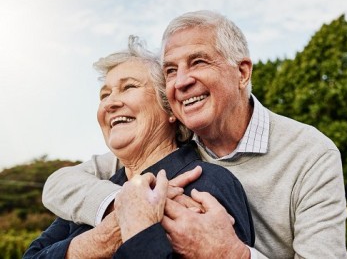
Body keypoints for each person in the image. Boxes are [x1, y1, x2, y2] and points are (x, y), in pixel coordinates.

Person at [42, 10, 347, 258]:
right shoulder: (156, 156)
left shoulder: (311, 154)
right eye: (171, 70)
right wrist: (123, 206)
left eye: (198, 61)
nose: (181, 81)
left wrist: (232, 254)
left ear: (242, 72)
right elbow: (59, 184)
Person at [23, 35, 255, 258]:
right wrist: (106, 235)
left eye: (129, 87)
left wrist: (138, 228)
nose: (110, 103)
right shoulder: (98, 195)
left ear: (169, 109)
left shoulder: (207, 184)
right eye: (104, 95)